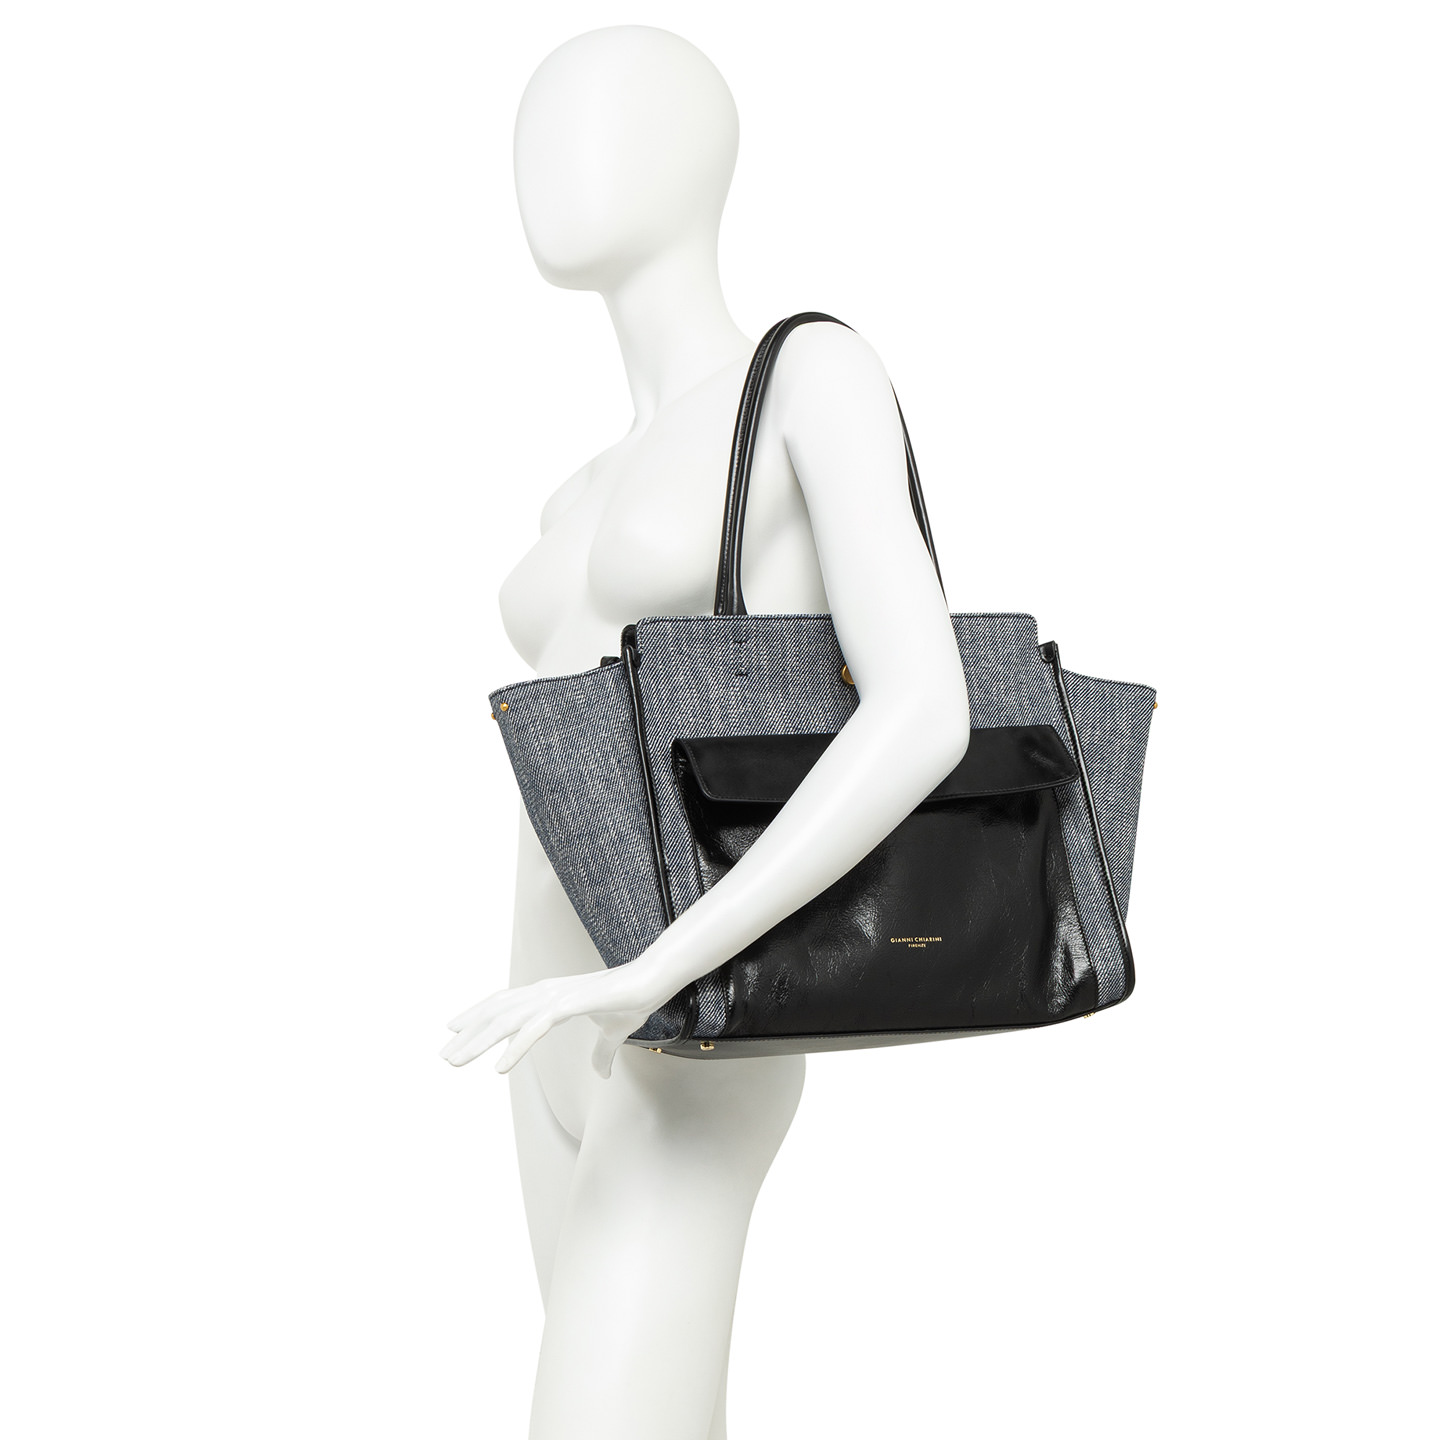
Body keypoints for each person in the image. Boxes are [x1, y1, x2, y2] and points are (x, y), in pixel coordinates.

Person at [442, 26, 970, 1438]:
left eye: (595, 120)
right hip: (548, 1011)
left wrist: (658, 969)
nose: (547, 162)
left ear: (698, 155)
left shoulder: (810, 376)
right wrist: (583, 989)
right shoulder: (579, 487)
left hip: (692, 1014)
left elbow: (924, 710)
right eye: (529, 129)